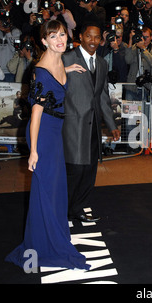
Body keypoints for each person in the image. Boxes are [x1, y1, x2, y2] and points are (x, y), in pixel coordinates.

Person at [5, 20, 90, 270]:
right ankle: (45, 245)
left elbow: (59, 75)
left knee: (55, 189)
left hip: (55, 131)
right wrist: (33, 151)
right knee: (45, 190)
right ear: (44, 41)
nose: (60, 40)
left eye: (62, 35)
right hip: (42, 134)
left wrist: (69, 68)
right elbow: (36, 113)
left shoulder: (59, 61)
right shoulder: (41, 71)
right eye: (53, 37)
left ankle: (52, 237)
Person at [62, 22, 120, 223]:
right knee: (75, 169)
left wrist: (111, 125)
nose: (93, 41)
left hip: (93, 126)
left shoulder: (103, 63)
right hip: (72, 125)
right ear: (80, 36)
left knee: (89, 169)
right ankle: (61, 213)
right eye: (89, 36)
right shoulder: (67, 58)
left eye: (97, 37)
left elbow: (103, 97)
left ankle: (77, 210)